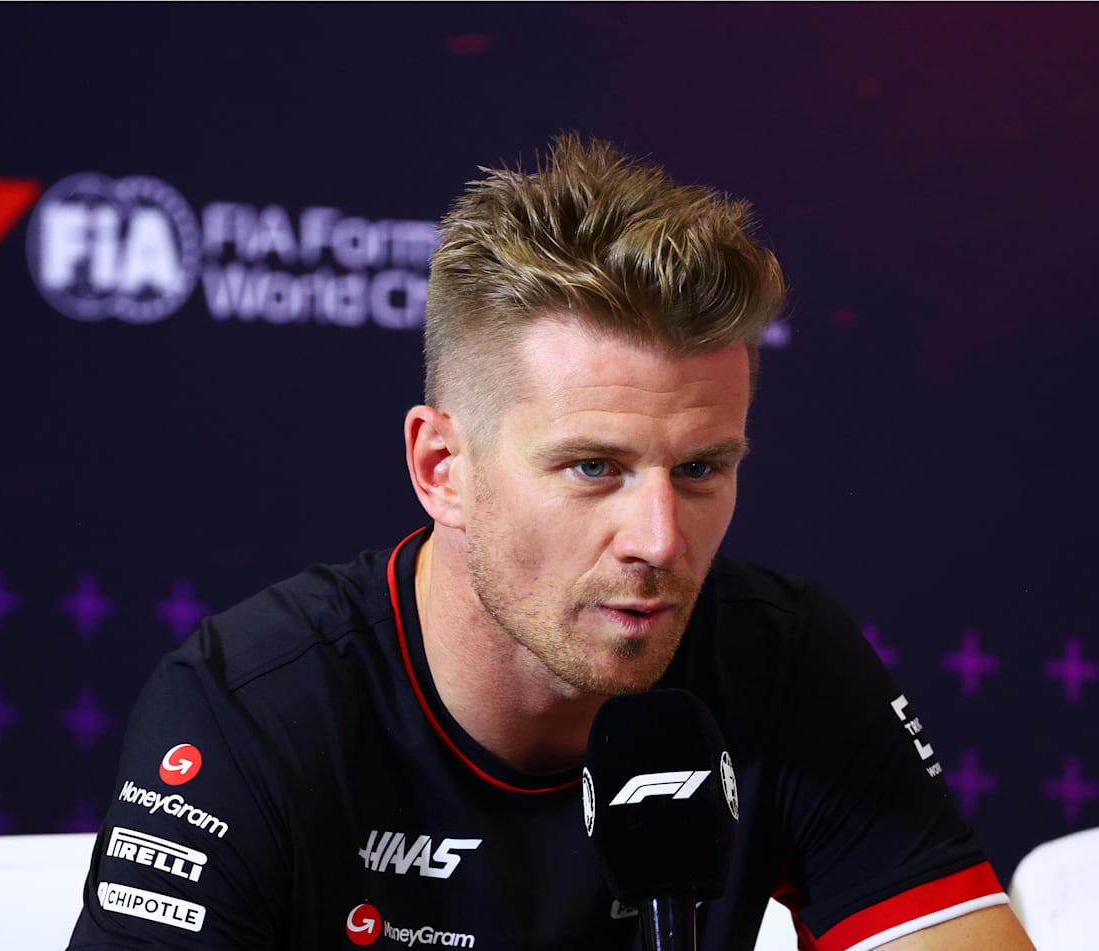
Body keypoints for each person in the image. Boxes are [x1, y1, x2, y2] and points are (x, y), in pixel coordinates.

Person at [65, 135, 1034, 950]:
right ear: (443, 466)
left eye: (701, 469)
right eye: (591, 469)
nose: (659, 542)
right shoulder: (255, 706)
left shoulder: (781, 661)